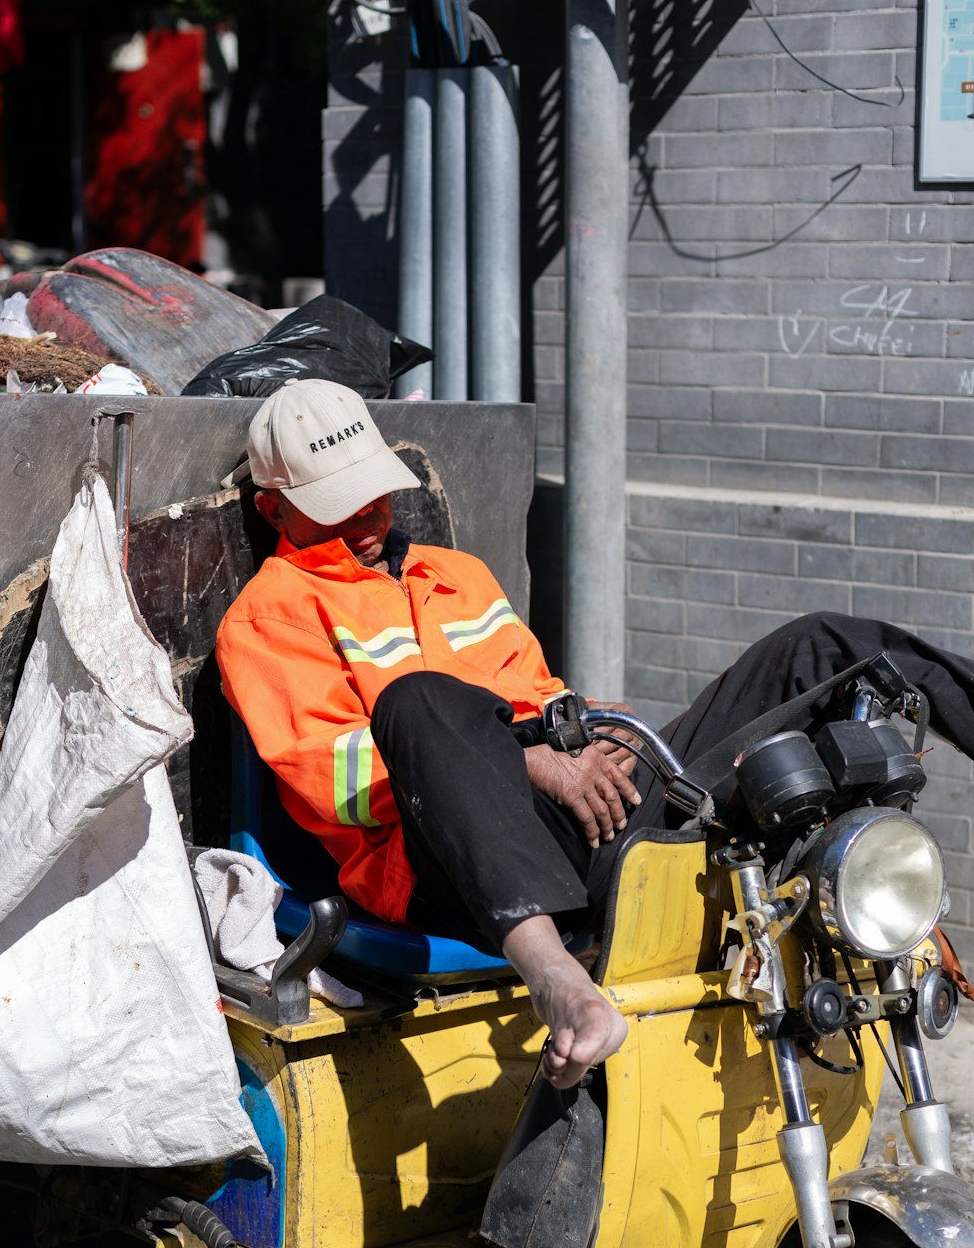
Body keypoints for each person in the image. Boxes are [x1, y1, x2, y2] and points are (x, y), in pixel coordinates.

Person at [217, 379, 974, 1088]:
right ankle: (559, 983)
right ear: (272, 510)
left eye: (372, 495)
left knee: (823, 645)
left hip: (588, 822)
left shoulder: (458, 575)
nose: (368, 519)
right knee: (418, 700)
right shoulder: (268, 616)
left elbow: (545, 695)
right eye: (337, 505)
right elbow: (352, 789)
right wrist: (532, 762)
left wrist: (601, 743)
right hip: (447, 863)